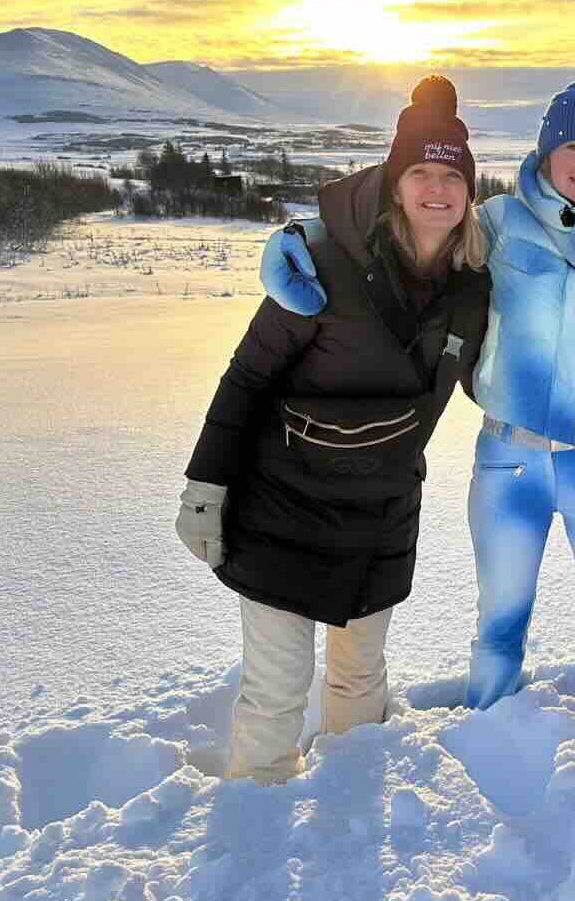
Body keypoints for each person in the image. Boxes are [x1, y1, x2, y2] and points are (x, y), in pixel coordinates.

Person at [260, 76, 575, 720]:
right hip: (509, 461)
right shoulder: (497, 224)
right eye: (573, 147)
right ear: (545, 153)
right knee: (500, 620)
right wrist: (306, 236)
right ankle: (490, 732)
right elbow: (410, 232)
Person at [174, 75, 491, 783]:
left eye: (452, 177)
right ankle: (254, 827)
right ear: (392, 182)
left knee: (358, 680)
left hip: (380, 515)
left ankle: (349, 810)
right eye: (420, 172)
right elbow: (248, 377)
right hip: (282, 507)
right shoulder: (318, 265)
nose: (436, 189)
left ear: (470, 192)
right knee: (278, 689)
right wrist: (205, 487)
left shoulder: (474, 285)